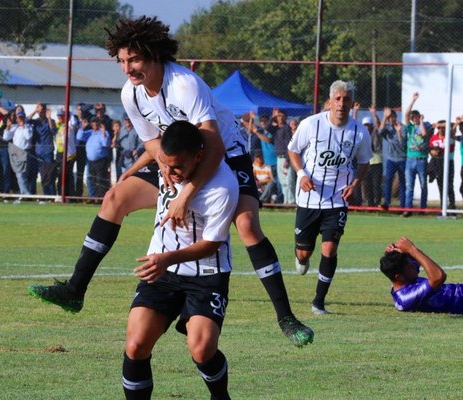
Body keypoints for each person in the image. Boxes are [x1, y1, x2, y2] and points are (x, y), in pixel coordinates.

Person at [29, 16, 313, 347]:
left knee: (247, 225)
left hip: (226, 153)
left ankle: (286, 317)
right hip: (178, 157)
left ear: (154, 55)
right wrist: (162, 163)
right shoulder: (131, 94)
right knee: (115, 198)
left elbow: (215, 143)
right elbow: (151, 140)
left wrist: (186, 194)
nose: (127, 68)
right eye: (122, 61)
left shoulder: (184, 84)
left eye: (133, 59)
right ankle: (75, 289)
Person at [122, 121, 236, 400]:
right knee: (136, 344)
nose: (170, 173)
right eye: (165, 164)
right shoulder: (166, 164)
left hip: (206, 274)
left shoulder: (223, 186)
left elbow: (213, 243)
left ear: (198, 156)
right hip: (162, 269)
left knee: (201, 348)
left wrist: (169, 257)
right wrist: (129, 175)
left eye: (177, 167)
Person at [287, 80, 372, 315]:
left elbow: (364, 161)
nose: (341, 104)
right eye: (338, 99)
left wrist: (355, 183)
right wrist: (302, 174)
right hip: (309, 199)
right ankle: (302, 259)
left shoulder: (359, 132)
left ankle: (318, 301)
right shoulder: (311, 124)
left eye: (346, 99)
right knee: (304, 253)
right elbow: (293, 150)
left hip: (337, 200)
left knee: (330, 249)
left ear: (351, 103)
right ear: (330, 101)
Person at [379, 236, 463, 314]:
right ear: (399, 277)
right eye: (410, 266)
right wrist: (412, 250)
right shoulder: (406, 298)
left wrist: (397, 251)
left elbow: (419, 259)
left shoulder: (403, 277)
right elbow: (438, 277)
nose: (414, 264)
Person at [403, 92, 430, 217]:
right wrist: (413, 100)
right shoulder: (410, 128)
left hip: (421, 159)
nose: (414, 119)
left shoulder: (425, 125)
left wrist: (422, 121)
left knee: (423, 184)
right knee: (409, 186)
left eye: (416, 117)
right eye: (412, 117)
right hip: (410, 159)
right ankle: (408, 209)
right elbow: (406, 114)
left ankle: (422, 209)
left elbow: (424, 134)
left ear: (420, 117)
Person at [379, 107, 407, 210]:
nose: (391, 119)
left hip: (402, 159)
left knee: (402, 182)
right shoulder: (388, 128)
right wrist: (384, 117)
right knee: (388, 180)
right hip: (391, 159)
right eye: (389, 118)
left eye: (392, 117)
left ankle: (403, 206)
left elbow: (402, 143)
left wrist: (398, 132)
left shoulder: (402, 127)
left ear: (395, 117)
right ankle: (386, 202)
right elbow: (380, 131)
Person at [28, 103, 57, 196]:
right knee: (42, 175)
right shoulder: (36, 122)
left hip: (48, 152)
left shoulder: (51, 121)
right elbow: (26, 120)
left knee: (49, 175)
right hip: (38, 152)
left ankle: (52, 195)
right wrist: (35, 111)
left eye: (41, 111)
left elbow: (53, 131)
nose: (40, 113)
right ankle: (45, 195)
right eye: (39, 111)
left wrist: (48, 118)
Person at [4, 109, 33, 195]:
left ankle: (26, 193)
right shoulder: (14, 127)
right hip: (15, 152)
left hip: (24, 152)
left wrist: (23, 125)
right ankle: (24, 192)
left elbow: (28, 137)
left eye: (21, 117)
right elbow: (5, 137)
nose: (20, 119)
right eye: (19, 117)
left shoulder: (28, 127)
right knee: (18, 174)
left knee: (21, 174)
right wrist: (8, 127)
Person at [428, 120, 455, 209]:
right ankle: (443, 207)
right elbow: (430, 149)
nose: (441, 129)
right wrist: (432, 152)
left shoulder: (450, 135)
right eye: (439, 128)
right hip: (438, 163)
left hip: (448, 162)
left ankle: (452, 207)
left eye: (443, 127)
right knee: (441, 186)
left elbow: (453, 124)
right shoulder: (433, 137)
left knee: (449, 186)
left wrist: (438, 124)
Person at [85, 117, 112, 198]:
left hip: (100, 161)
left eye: (96, 123)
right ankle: (92, 197)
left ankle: (101, 198)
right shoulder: (90, 133)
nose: (95, 125)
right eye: (93, 124)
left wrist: (103, 132)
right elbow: (79, 137)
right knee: (91, 180)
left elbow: (105, 144)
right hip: (90, 161)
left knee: (100, 180)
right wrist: (82, 127)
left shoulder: (104, 133)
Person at [360, 108, 382, 207]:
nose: (366, 127)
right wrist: (355, 111)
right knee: (367, 185)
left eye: (368, 125)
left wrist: (374, 114)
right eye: (364, 125)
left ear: (371, 125)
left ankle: (377, 203)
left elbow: (379, 125)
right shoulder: (361, 134)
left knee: (376, 184)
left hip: (376, 162)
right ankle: (370, 204)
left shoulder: (375, 132)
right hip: (365, 163)